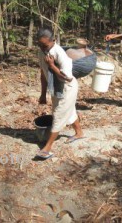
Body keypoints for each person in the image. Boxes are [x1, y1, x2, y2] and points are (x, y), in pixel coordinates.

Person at [37, 27, 84, 159]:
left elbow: (67, 77)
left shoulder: (60, 54)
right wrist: (42, 93)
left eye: (44, 45)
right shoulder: (42, 52)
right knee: (69, 111)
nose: (42, 48)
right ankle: (79, 132)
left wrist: (52, 66)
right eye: (39, 45)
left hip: (67, 88)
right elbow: (43, 73)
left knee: (58, 114)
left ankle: (47, 148)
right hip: (55, 88)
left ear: (54, 40)